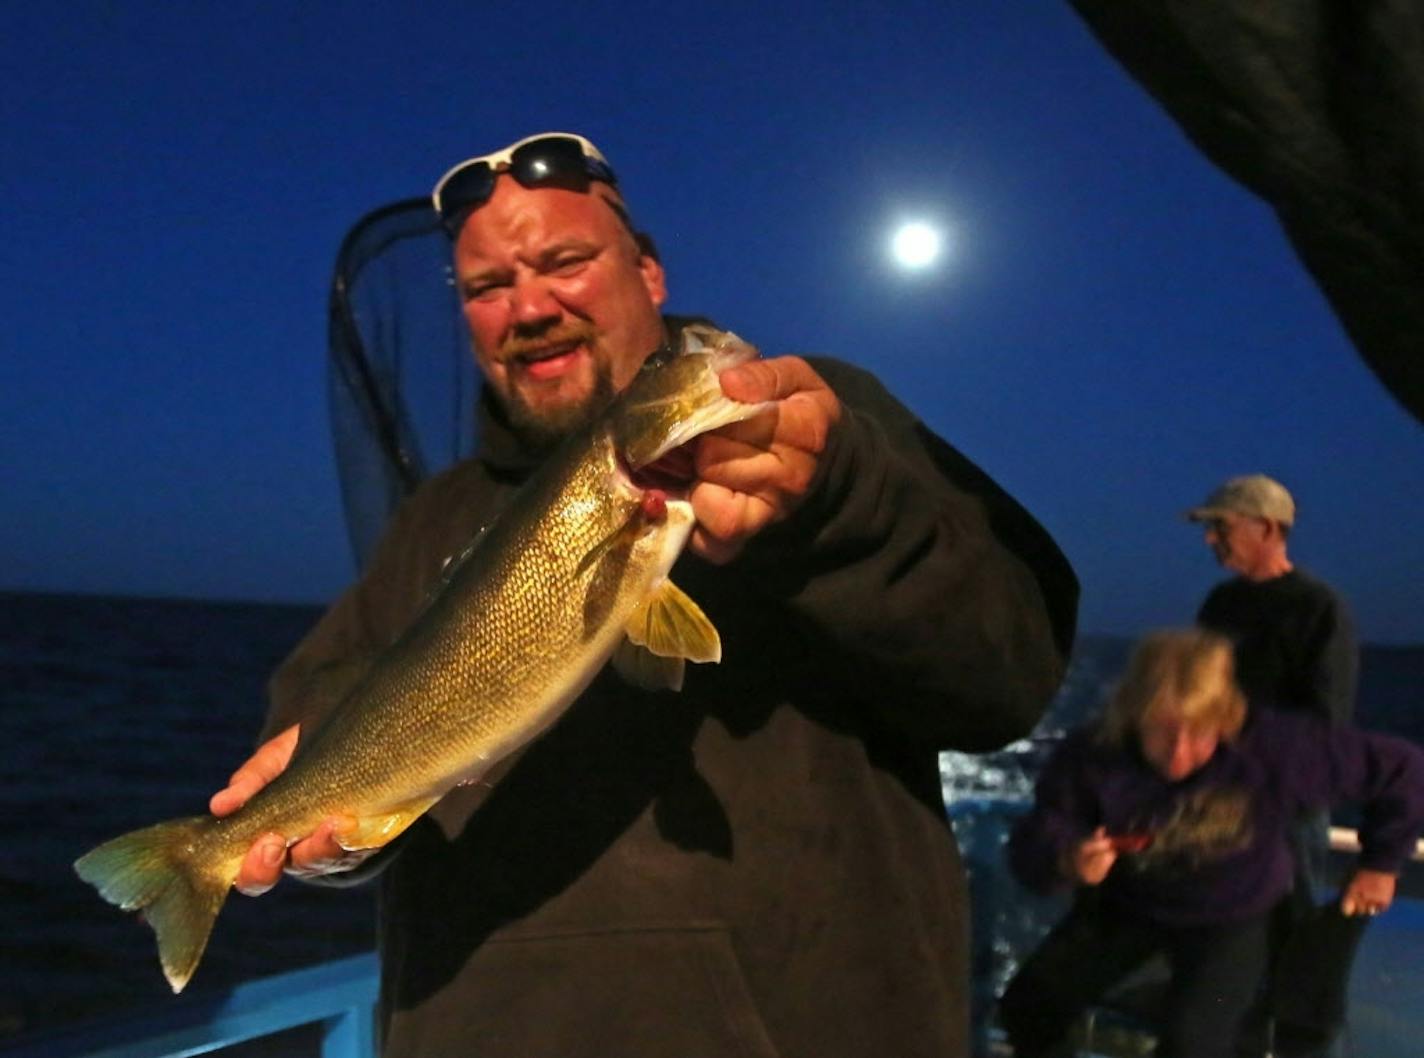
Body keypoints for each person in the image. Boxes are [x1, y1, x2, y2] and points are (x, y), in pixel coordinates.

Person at [207, 131, 1078, 1057]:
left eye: (565, 262)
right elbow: (323, 688)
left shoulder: (817, 420)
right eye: (488, 289)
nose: (529, 307)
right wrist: (326, 803)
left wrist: (838, 505)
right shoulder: (435, 519)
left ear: (649, 273)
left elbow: (1011, 671)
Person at [997, 628, 1424, 1058]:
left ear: (1226, 717)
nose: (1179, 752)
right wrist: (1067, 858)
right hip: (1130, 906)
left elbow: (1403, 770)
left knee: (1195, 1043)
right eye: (1162, 730)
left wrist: (1381, 864)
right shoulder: (1092, 755)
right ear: (1133, 714)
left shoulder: (1277, 747)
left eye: (1200, 732)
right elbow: (1038, 837)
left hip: (1233, 917)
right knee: (1029, 1006)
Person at [1186, 473, 1361, 1054]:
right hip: (1220, 812)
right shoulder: (1220, 605)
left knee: (1299, 954)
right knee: (1228, 959)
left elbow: (1324, 721)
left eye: (1221, 526)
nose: (1211, 538)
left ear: (1266, 528)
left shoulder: (1319, 609)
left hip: (1286, 812)